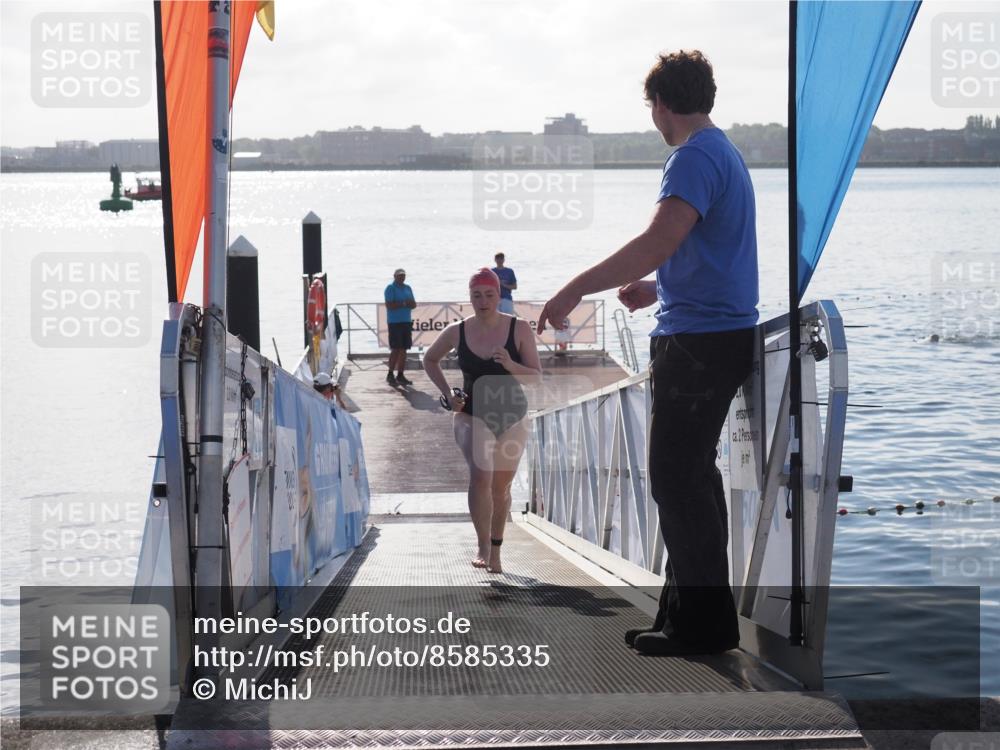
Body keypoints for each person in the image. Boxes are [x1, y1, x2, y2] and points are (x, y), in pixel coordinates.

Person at [537, 50, 758, 656]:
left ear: (662, 104)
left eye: (652, 108)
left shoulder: (691, 157)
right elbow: (710, 252)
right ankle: (687, 615)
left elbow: (658, 238)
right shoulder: (724, 153)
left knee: (675, 478)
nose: (653, 119)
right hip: (717, 334)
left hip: (698, 345)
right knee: (691, 477)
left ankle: (705, 627)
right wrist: (661, 287)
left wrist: (576, 286)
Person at [423, 268, 542, 573]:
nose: (483, 300)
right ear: (470, 297)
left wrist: (510, 363)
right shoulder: (458, 330)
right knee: (481, 474)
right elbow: (429, 358)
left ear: (499, 296)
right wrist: (448, 393)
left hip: (511, 415)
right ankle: (482, 546)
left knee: (501, 488)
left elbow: (535, 378)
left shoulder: (519, 329)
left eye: (489, 294)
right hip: (471, 413)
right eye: (476, 295)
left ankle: (497, 548)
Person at [384, 268, 416, 386]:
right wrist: (404, 303)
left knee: (404, 349)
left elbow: (413, 304)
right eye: (399, 276)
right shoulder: (390, 288)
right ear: (394, 276)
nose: (402, 277)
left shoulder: (408, 288)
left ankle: (400, 374)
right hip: (394, 322)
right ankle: (390, 373)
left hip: (406, 322)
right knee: (395, 349)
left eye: (403, 275)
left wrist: (403, 303)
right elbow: (390, 305)